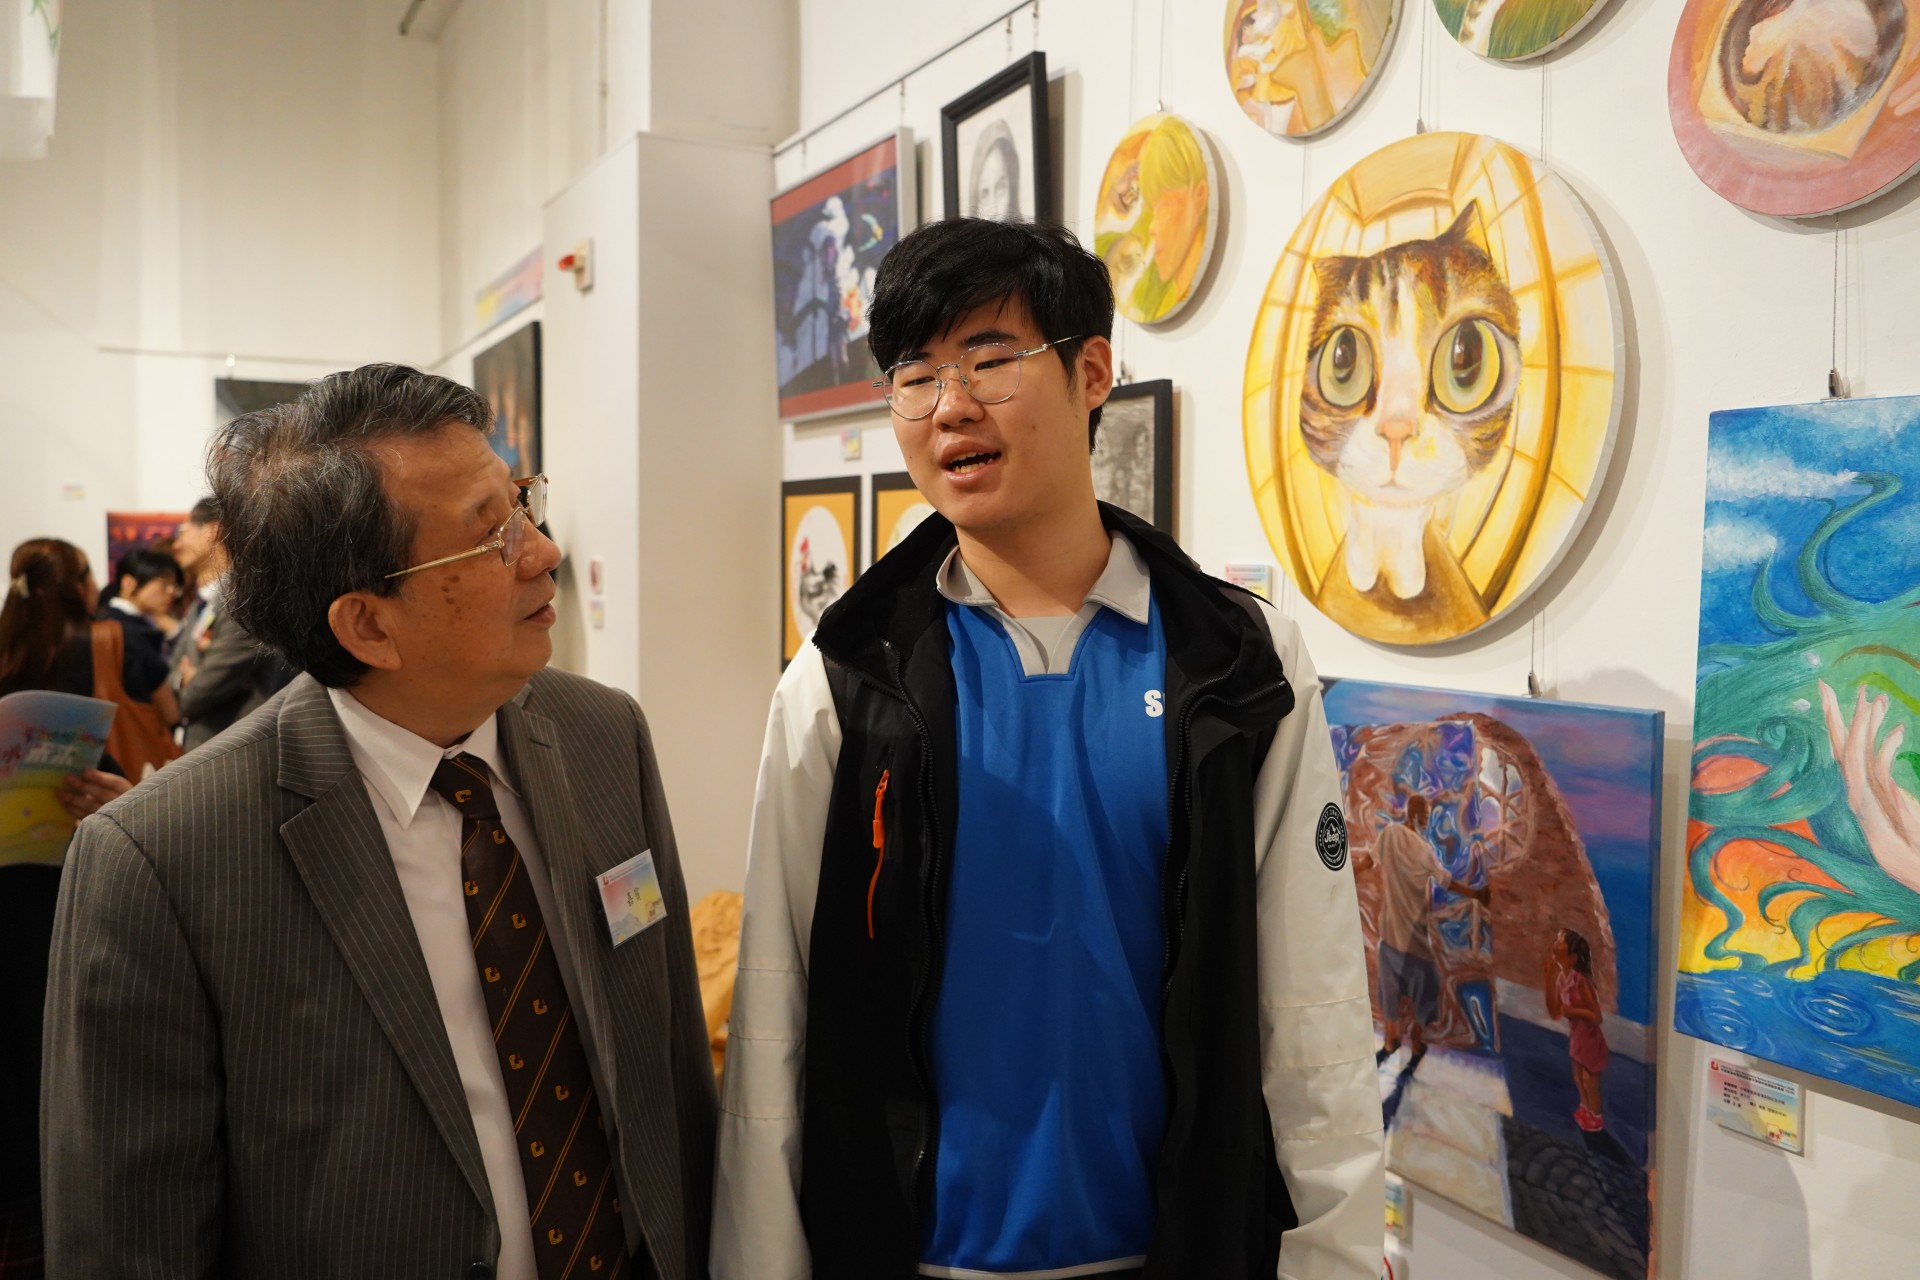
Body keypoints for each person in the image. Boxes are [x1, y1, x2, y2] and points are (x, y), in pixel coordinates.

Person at [713, 219, 1384, 1279]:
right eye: (915, 376)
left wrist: (1332, 1255)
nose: (950, 406)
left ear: (1092, 373)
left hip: (1175, 1253)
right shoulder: (846, 678)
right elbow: (774, 1008)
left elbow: (1314, 1003)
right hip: (918, 1258)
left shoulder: (1238, 665)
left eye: (989, 359)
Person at [43, 365, 716, 1280]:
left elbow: (672, 1065)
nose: (543, 551)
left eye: (522, 504)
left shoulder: (603, 737)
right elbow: (128, 1238)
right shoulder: (163, 858)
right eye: (491, 535)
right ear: (367, 626)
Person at [0, 538, 134, 1278]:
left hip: (14, 900)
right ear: (83, 584)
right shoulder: (100, 644)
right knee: (59, 1054)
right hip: (65, 893)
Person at [1359, 791, 1488, 1066]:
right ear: (1415, 815)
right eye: (1426, 816)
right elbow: (1447, 882)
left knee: (1390, 992)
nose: (1428, 822)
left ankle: (1391, 1040)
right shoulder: (1423, 850)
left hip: (1389, 934)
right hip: (1414, 939)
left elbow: (1368, 862)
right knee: (1425, 991)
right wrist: (1475, 894)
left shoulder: (1390, 834)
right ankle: (1415, 1042)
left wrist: (1345, 873)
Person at [166, 495, 272, 749]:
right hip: (205, 744)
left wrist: (184, 686)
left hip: (234, 747)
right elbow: (171, 668)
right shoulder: (202, 602)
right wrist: (182, 679)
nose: (176, 545)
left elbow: (203, 690)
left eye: (183, 532)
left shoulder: (243, 603)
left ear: (213, 531)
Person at [1543, 928, 1608, 1132]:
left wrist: (1573, 1011)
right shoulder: (1562, 979)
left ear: (1572, 957)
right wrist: (1548, 979)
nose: (1555, 945)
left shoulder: (1581, 982)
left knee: (1589, 1080)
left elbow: (1597, 1016)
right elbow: (1555, 1012)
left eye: (1560, 942)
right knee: (1577, 1076)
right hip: (1577, 1037)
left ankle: (1596, 1116)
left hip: (1590, 1039)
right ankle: (1585, 1108)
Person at [98, 546, 183, 700]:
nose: (171, 592)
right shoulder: (125, 628)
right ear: (129, 583)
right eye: (164, 584)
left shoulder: (109, 618)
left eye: (174, 585)